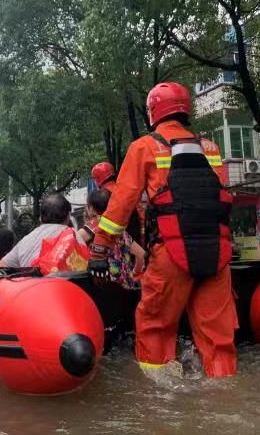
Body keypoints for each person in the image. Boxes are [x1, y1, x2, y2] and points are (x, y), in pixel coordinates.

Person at [89, 82, 237, 378]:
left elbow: (120, 207)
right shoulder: (211, 148)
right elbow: (216, 195)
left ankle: (158, 395)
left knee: (155, 324)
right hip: (217, 253)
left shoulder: (144, 146)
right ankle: (223, 390)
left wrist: (100, 249)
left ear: (153, 111)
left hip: (171, 251)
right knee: (218, 338)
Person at [78, 188, 144, 289]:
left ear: (91, 208)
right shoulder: (120, 231)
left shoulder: (90, 228)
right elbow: (141, 255)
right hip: (126, 288)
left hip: (104, 288)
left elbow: (73, 245)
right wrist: (134, 273)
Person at [0, 194, 81, 268]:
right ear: (69, 216)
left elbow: (0, 267)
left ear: (41, 217)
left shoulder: (25, 241)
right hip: (64, 285)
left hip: (31, 284)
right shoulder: (73, 235)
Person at [91, 161, 145, 245]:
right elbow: (140, 213)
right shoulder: (126, 189)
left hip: (116, 244)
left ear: (97, 179)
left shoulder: (100, 197)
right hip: (135, 240)